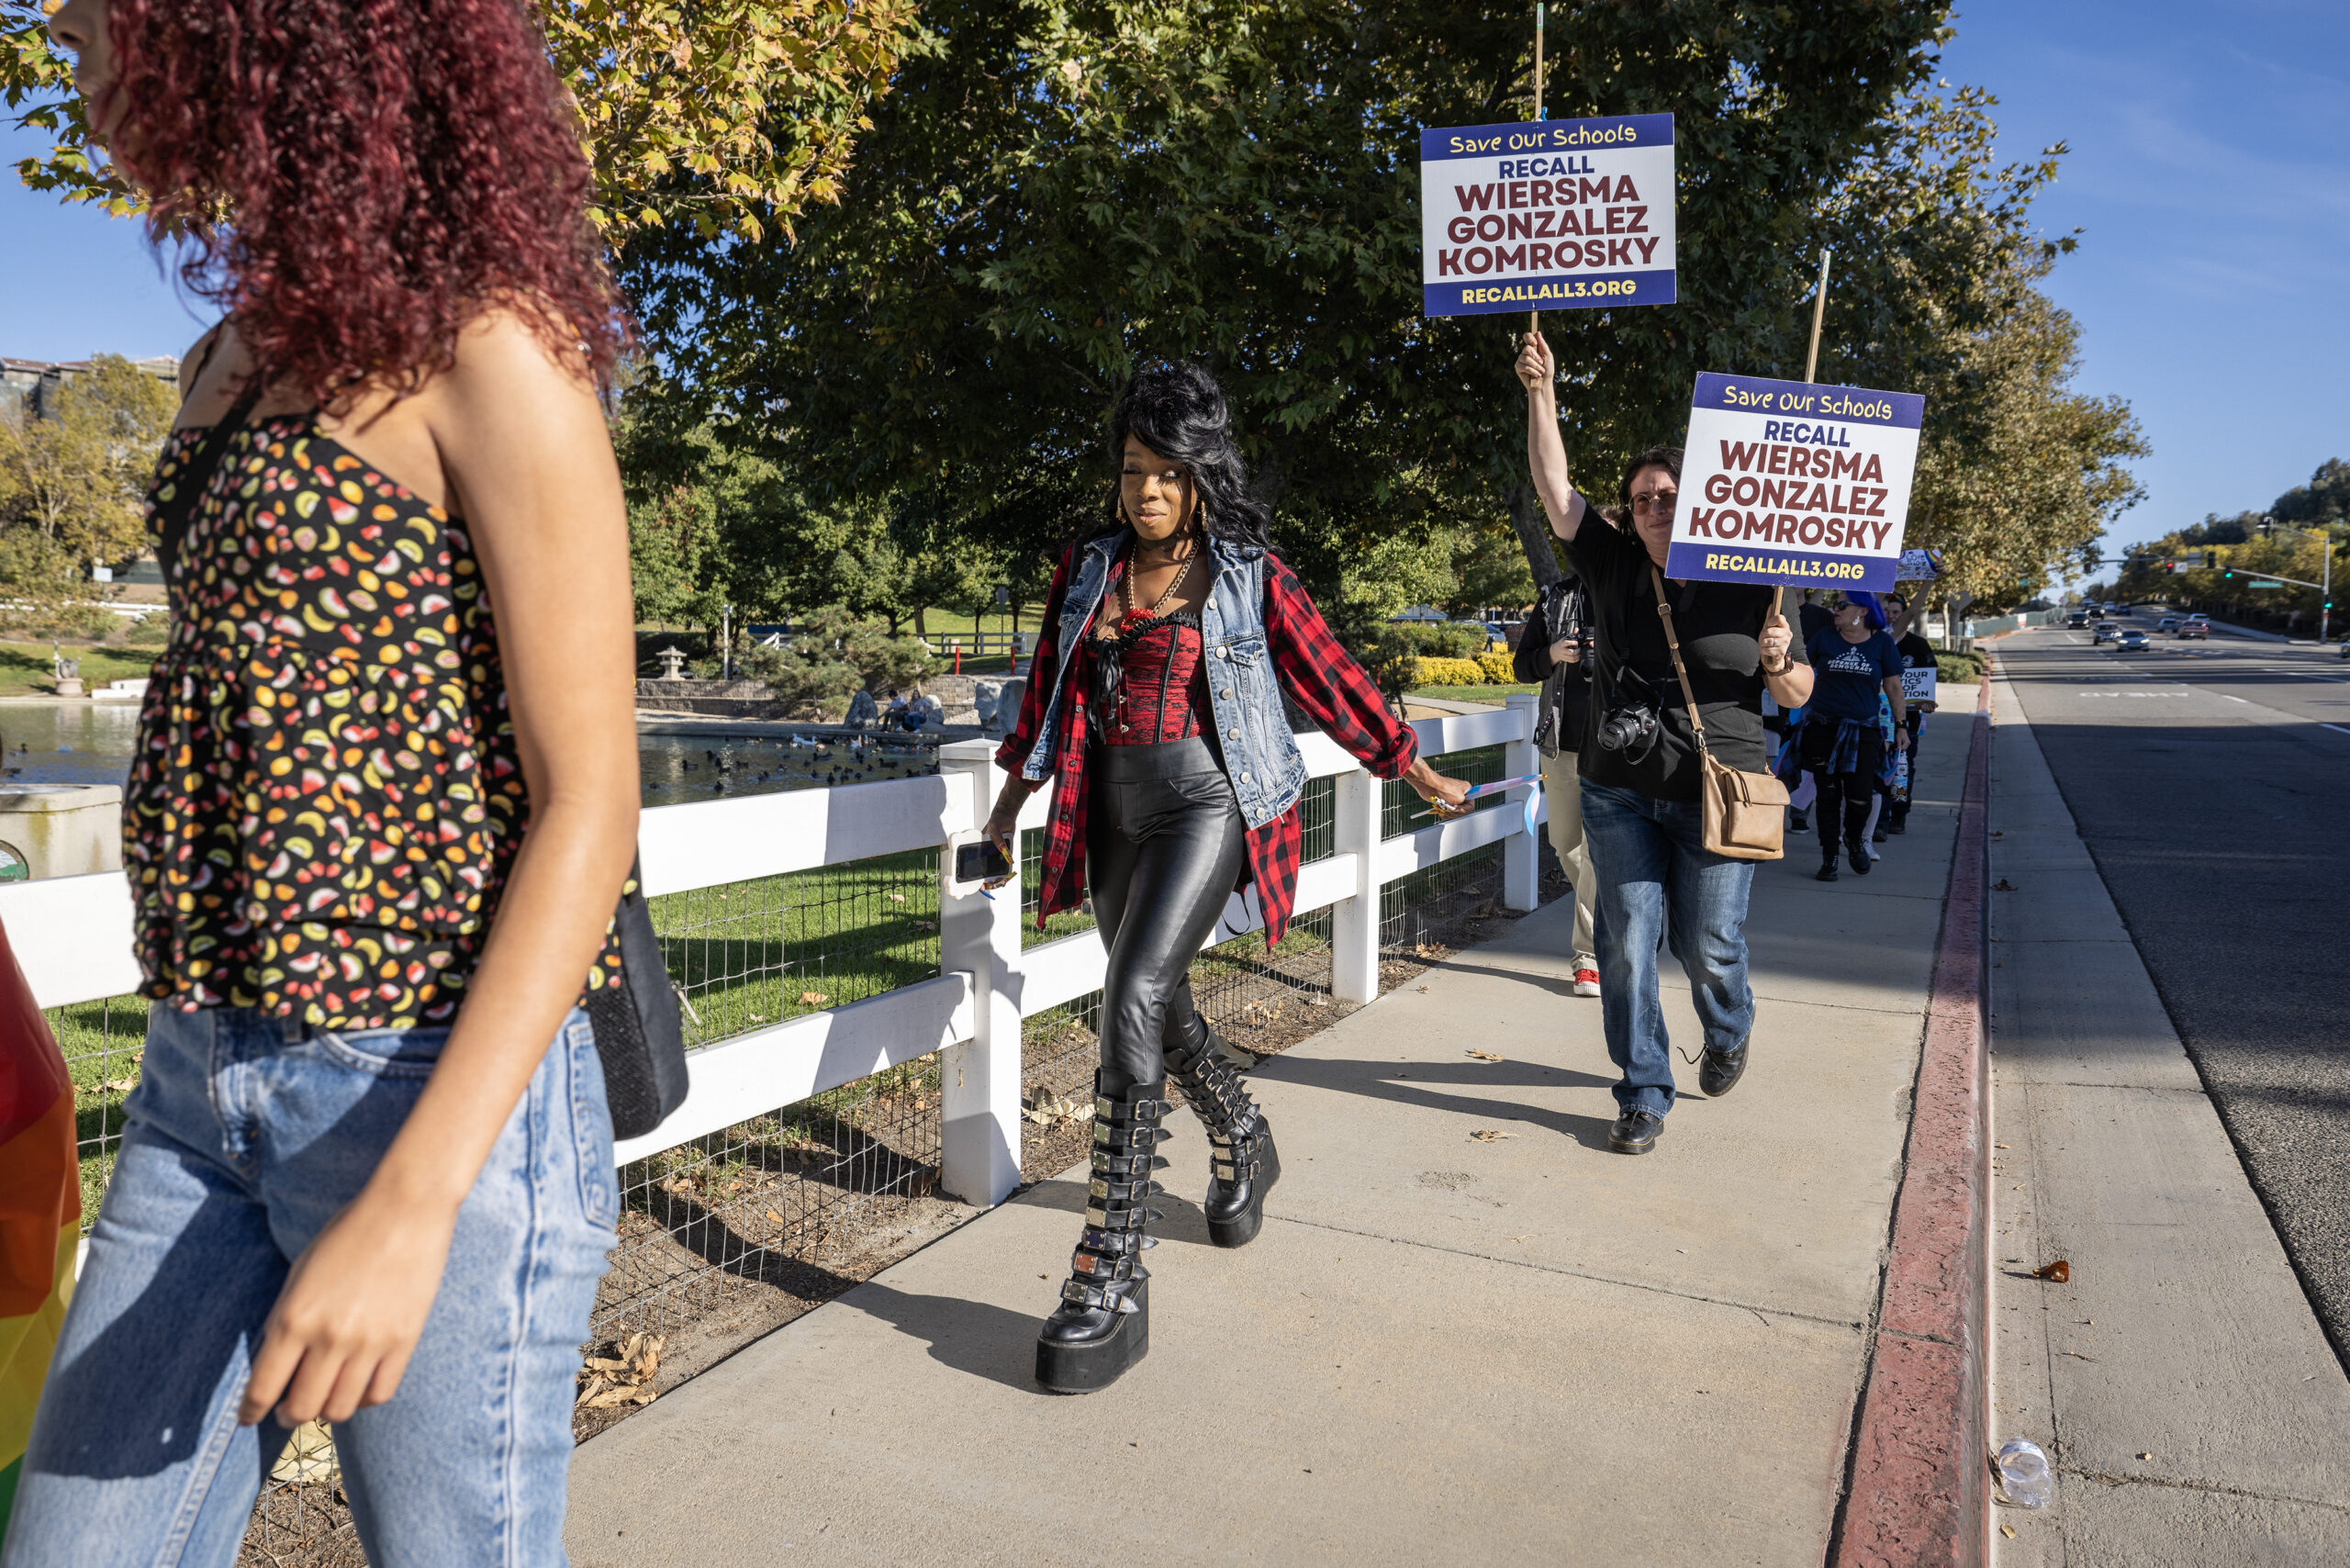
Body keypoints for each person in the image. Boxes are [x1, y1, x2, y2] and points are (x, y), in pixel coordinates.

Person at [10, 5, 641, 1563]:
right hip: (195, 1078)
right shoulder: (225, 361)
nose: (67, 43)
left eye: (99, 15)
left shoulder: (493, 350)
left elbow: (590, 802)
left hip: (429, 1088)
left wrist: (419, 1199)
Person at [985, 362, 1470, 1392]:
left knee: (1131, 991)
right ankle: (1243, 1134)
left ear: (1203, 476)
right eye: (1131, 470)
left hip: (1204, 803)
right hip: (1105, 809)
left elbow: (1326, 670)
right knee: (1154, 1011)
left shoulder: (1246, 571)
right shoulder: (1085, 565)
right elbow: (1041, 694)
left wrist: (1407, 761)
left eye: (1167, 473)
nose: (1146, 492)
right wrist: (1002, 812)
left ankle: (1108, 1271)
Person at [1514, 332, 1814, 1156]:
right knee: (1626, 940)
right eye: (1643, 497)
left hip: (1718, 794)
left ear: (1702, 500)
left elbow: (1796, 691)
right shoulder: (1609, 564)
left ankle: (1728, 1026)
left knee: (1708, 945)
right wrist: (1542, 388)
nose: (1655, 507)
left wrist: (1783, 662)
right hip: (1619, 790)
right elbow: (1553, 483)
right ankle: (1644, 1089)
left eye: (1670, 495)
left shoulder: (1757, 571)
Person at [1511, 523, 1606, 997]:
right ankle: (1614, 919)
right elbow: (1521, 664)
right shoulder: (1555, 600)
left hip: (1617, 750)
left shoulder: (1638, 594)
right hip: (1563, 744)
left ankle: (1587, 956)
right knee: (1566, 846)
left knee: (1596, 852)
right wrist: (1551, 652)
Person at [1800, 597, 1908, 881]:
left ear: (1862, 611)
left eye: (1841, 605)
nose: (1834, 610)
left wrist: (1901, 726)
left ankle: (1855, 838)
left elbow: (1894, 687)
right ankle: (1830, 857)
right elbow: (1800, 671)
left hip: (1863, 730)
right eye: (1835, 604)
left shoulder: (1882, 643)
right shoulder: (1824, 638)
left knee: (1861, 794)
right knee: (1828, 794)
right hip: (1823, 728)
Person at [1882, 593, 1936, 835]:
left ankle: (1899, 814)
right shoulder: (1876, 640)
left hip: (1909, 721)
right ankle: (1879, 818)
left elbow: (1926, 684)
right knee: (1879, 770)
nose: (1892, 617)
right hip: (1878, 720)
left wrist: (1926, 703)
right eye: (1887, 611)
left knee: (1902, 770)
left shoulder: (1918, 645)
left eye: (1897, 613)